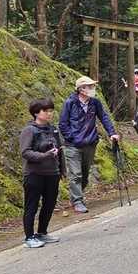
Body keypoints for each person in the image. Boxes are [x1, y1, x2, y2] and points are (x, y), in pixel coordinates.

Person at [59, 76, 120, 213]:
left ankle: (77, 196)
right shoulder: (70, 103)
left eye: (93, 86)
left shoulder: (95, 103)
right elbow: (63, 124)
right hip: (72, 146)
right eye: (90, 86)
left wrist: (112, 133)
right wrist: (72, 138)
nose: (93, 89)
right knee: (75, 174)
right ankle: (77, 201)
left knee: (85, 174)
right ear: (81, 89)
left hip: (90, 143)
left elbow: (104, 118)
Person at [19, 98, 64, 248]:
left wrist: (62, 169)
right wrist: (45, 155)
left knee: (49, 203)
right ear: (36, 113)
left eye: (51, 111)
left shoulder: (53, 129)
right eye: (46, 111)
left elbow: (60, 150)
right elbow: (25, 152)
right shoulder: (29, 130)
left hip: (52, 173)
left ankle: (42, 232)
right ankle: (29, 237)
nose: (49, 113)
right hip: (34, 174)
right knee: (31, 205)